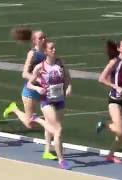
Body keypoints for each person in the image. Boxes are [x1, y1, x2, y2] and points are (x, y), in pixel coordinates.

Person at [3, 29, 63, 160]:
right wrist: (39, 81)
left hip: (45, 92)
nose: (43, 39)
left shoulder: (48, 52)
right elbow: (24, 74)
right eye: (40, 38)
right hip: (31, 91)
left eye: (44, 37)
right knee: (30, 124)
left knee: (49, 121)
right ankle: (14, 109)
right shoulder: (33, 53)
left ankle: (47, 150)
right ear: (34, 40)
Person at [27, 41, 72, 169]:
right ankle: (61, 160)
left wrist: (69, 87)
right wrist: (37, 89)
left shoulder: (60, 63)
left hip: (60, 100)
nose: (54, 50)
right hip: (46, 101)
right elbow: (30, 83)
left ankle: (50, 150)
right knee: (58, 130)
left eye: (55, 48)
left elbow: (67, 77)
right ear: (46, 51)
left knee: (56, 130)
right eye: (51, 48)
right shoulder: (40, 67)